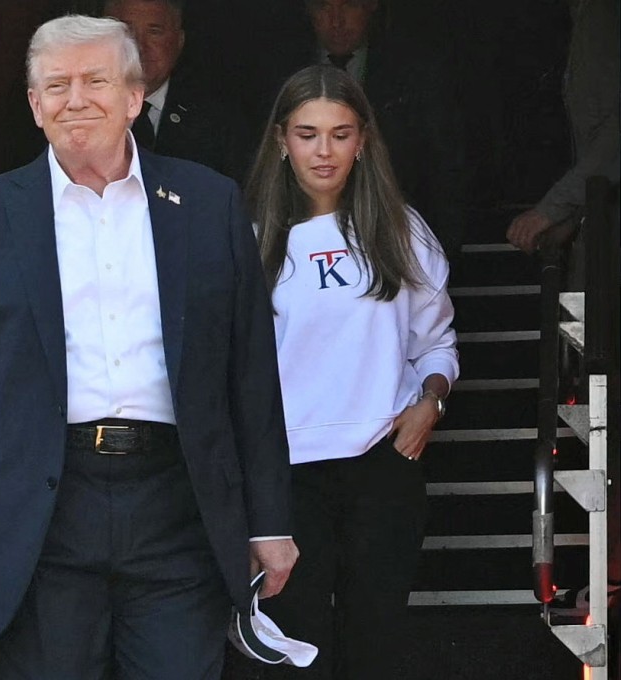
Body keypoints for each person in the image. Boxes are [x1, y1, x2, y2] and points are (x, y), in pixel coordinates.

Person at [0, 14, 299, 679]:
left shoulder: (207, 203)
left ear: (135, 97)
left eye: (94, 80)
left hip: (180, 507)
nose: (75, 98)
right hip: (37, 515)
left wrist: (269, 521)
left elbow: (250, 377)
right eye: (55, 85)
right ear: (33, 104)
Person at [245, 64, 459, 679]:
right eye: (307, 133)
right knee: (298, 649)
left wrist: (432, 402)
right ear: (281, 140)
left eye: (340, 133)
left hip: (382, 464)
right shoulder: (251, 238)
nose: (324, 150)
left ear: (363, 140)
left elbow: (437, 343)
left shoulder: (401, 230)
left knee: (377, 641)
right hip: (285, 474)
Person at [253, 0, 467, 269]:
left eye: (350, 5)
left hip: (394, 245)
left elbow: (443, 161)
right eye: (323, 7)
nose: (336, 20)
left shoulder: (414, 71)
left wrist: (444, 244)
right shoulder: (279, 71)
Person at [505, 0, 619, 262]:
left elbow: (614, 134)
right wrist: (570, 215)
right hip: (595, 222)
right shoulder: (586, 17)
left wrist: (554, 208)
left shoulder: (602, 16)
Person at [104, 0, 252, 181]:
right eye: (126, 32)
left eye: (154, 32)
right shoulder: (78, 110)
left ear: (179, 41)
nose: (139, 46)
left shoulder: (219, 123)